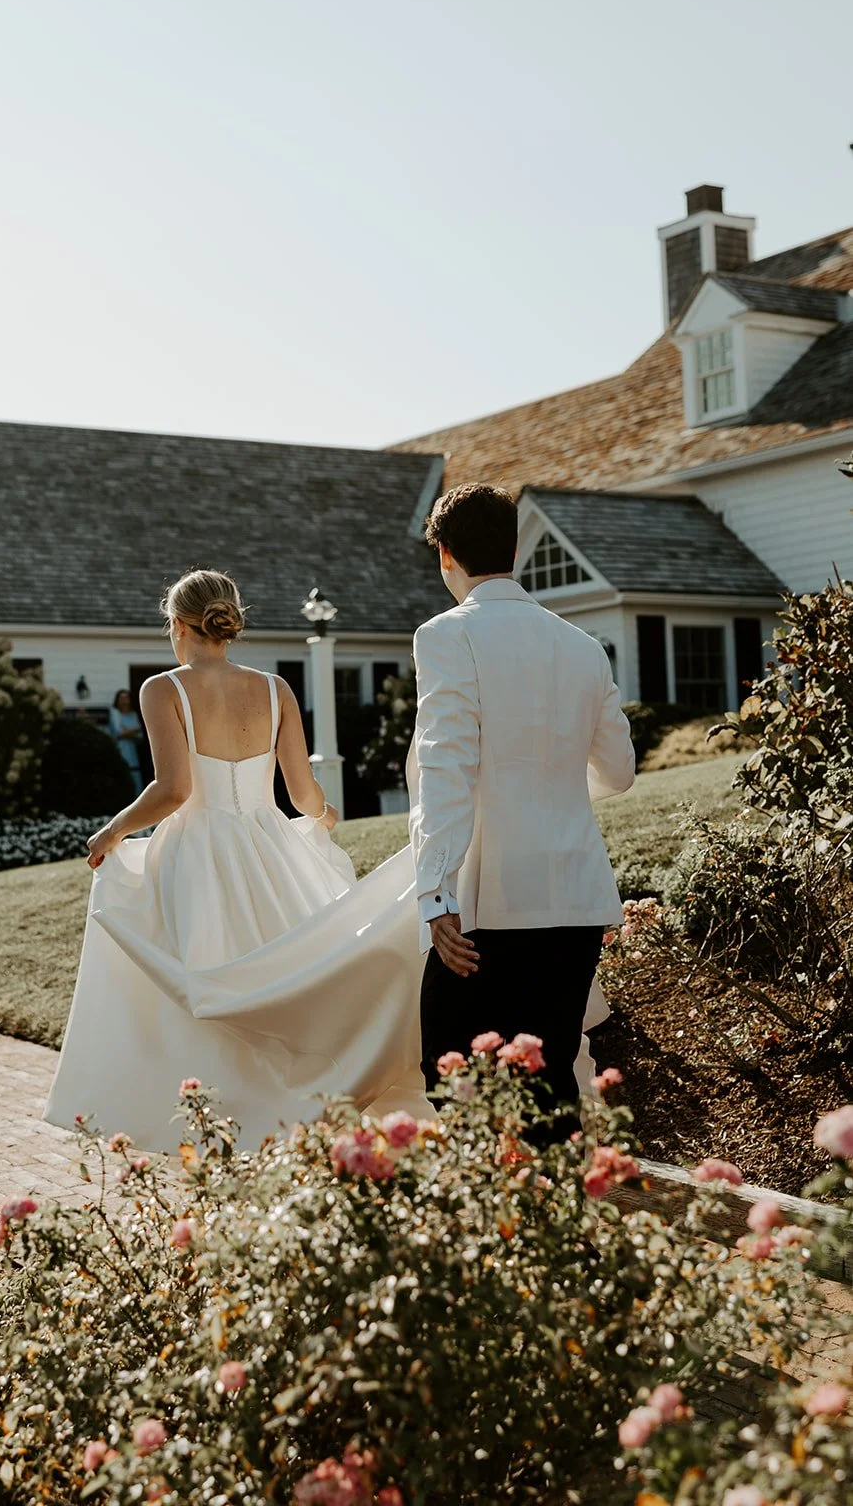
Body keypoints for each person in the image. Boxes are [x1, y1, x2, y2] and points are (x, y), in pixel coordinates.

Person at [44, 569, 433, 1151]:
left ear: (177, 625)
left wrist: (112, 831)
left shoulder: (162, 690)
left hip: (195, 855)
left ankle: (221, 1121)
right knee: (279, 978)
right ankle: (296, 1112)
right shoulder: (276, 689)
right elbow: (302, 794)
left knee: (205, 982)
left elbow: (173, 791)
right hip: (271, 849)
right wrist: (322, 818)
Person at [411, 483, 636, 1143]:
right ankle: (556, 1227)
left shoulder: (446, 637)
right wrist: (548, 786)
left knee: (447, 1071)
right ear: (514, 549)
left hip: (493, 900)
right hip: (573, 894)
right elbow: (617, 775)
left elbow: (443, 771)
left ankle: (494, 1226)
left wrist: (435, 894)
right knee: (552, 1081)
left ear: (445, 555)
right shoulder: (583, 646)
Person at [109, 688, 146, 796]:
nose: (125, 701)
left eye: (126, 698)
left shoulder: (133, 715)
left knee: (136, 784)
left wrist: (127, 732)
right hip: (120, 752)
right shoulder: (115, 713)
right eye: (122, 699)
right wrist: (136, 729)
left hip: (133, 755)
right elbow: (119, 733)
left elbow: (140, 737)